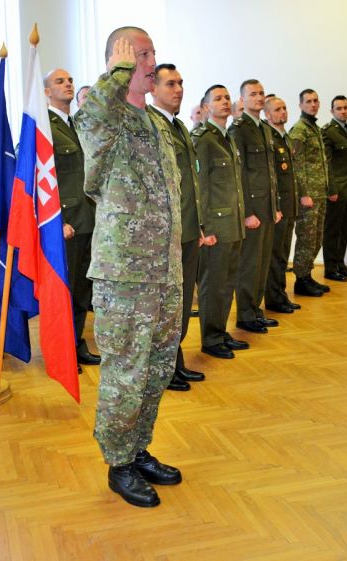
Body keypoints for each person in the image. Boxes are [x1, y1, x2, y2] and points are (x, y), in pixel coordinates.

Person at [75, 28, 183, 508]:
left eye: (152, 52)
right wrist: (117, 71)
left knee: (157, 367)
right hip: (125, 273)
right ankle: (118, 463)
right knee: (126, 371)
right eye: (141, 54)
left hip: (166, 270)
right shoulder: (106, 116)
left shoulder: (156, 122)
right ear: (117, 61)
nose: (150, 61)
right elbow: (91, 115)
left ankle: (138, 449)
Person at [149, 63, 209, 390]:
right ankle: (163, 369)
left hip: (186, 227)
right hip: (165, 233)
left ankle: (175, 361)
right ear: (153, 88)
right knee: (166, 307)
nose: (179, 89)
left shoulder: (179, 126)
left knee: (183, 302)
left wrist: (196, 224)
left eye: (181, 83)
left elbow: (190, 181)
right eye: (170, 84)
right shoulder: (150, 124)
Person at [44, 69, 99, 372]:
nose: (67, 84)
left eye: (69, 81)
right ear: (46, 92)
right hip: (65, 223)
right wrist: (57, 221)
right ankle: (60, 353)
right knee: (62, 292)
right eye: (59, 81)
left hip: (87, 219)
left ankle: (76, 344)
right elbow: (42, 180)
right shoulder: (44, 128)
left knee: (81, 291)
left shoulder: (77, 125)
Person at [192, 85, 246, 359]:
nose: (225, 102)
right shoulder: (204, 139)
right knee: (213, 285)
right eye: (218, 99)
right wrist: (205, 227)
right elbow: (200, 187)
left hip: (232, 224)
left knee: (227, 283)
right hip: (216, 226)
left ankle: (220, 330)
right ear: (206, 107)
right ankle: (210, 339)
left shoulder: (227, 137)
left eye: (227, 98)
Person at [229, 79, 281, 334]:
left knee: (262, 262)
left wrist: (276, 205)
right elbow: (239, 175)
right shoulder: (239, 129)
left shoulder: (265, 129)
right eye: (253, 94)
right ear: (242, 100)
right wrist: (247, 212)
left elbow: (271, 173)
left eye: (261, 93)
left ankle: (256, 309)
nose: (259, 97)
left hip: (267, 207)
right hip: (253, 210)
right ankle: (245, 315)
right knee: (249, 264)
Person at [289, 89, 330, 297]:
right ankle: (301, 279)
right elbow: (296, 165)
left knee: (317, 238)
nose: (313, 105)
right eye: (308, 101)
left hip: (319, 193)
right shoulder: (299, 131)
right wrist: (303, 193)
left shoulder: (314, 128)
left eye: (315, 101)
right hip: (308, 197)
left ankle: (308, 274)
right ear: (301, 105)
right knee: (306, 237)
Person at [263, 95, 300, 314]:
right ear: (267, 114)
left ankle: (281, 294)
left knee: (284, 254)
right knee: (275, 256)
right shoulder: (270, 139)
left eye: (284, 108)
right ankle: (274, 298)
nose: (283, 112)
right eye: (277, 109)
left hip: (289, 206)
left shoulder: (285, 138)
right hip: (278, 208)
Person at [321, 95, 347, 282]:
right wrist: (331, 189)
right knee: (332, 230)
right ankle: (330, 268)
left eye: (346, 107)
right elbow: (326, 164)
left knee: (344, 230)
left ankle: (340, 264)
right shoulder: (328, 132)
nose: (343, 111)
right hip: (337, 190)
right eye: (339, 108)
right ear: (332, 111)